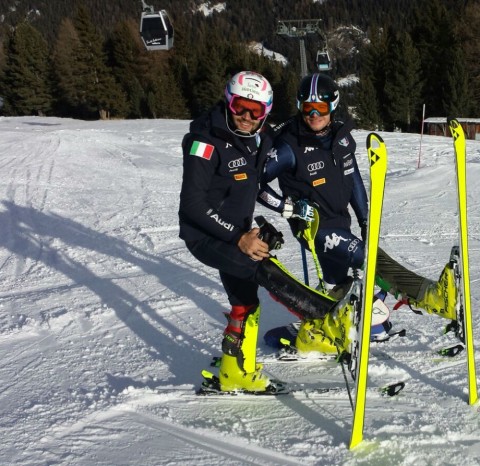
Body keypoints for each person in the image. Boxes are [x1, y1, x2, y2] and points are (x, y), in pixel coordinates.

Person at [178, 71, 354, 392]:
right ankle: (324, 315)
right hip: (207, 236)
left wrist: (289, 206)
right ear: (228, 102)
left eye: (255, 110)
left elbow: (270, 169)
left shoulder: (260, 138)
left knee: (245, 301)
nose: (247, 116)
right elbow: (192, 205)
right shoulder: (205, 142)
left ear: (266, 111)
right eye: (240, 107)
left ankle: (234, 371)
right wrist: (238, 238)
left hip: (238, 232)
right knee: (263, 269)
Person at [259, 73, 457, 354]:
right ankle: (432, 296)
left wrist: (365, 220)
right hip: (315, 228)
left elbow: (353, 181)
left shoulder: (341, 138)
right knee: (369, 257)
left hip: (341, 222)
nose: (314, 115)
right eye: (308, 108)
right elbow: (254, 182)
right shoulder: (289, 145)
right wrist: (286, 207)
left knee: (341, 281)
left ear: (333, 106)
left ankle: (335, 325)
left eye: (321, 108)